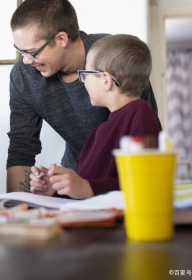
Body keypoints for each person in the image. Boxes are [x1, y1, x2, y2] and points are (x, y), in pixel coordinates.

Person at [7, 0, 158, 192]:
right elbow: (21, 147)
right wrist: (22, 207)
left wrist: (87, 187)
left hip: (122, 185)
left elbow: (147, 149)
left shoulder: (113, 57)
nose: (26, 61)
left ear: (61, 39)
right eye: (20, 51)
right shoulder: (23, 76)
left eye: (32, 52)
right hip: (79, 180)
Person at [29, 34, 162, 199]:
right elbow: (88, 189)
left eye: (85, 73)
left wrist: (86, 187)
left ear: (106, 80)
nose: (83, 81)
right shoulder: (99, 132)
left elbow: (145, 184)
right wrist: (56, 188)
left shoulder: (140, 115)